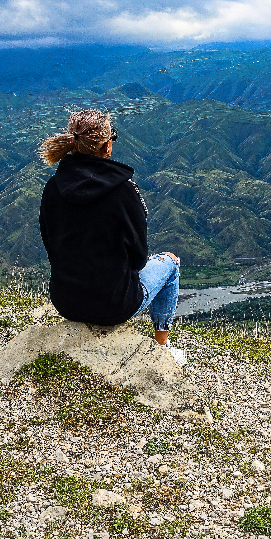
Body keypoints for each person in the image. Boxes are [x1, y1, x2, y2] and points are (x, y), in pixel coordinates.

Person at [38, 109, 185, 362]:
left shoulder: (53, 188)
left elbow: (51, 246)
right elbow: (139, 260)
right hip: (115, 306)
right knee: (170, 263)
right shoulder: (124, 191)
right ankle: (162, 349)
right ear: (107, 147)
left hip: (65, 302)